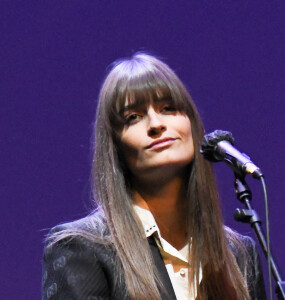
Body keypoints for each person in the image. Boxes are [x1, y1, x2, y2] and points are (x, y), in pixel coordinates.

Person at [42, 53, 266, 300]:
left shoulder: (239, 255)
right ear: (116, 148)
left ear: (195, 127)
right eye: (133, 117)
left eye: (168, 108)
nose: (156, 124)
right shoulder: (83, 248)